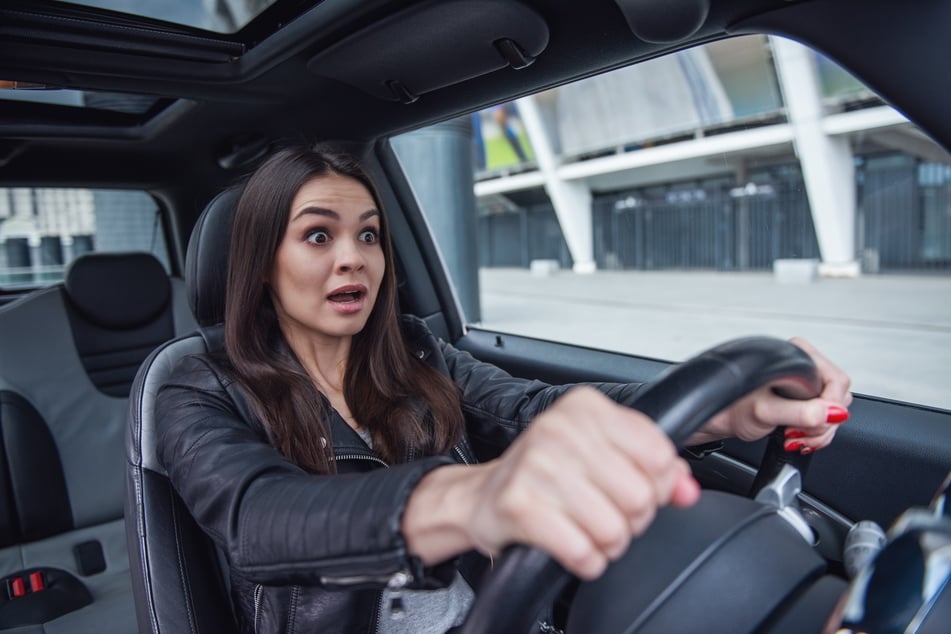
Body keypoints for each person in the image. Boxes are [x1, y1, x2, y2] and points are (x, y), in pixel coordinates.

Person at [156, 145, 852, 634]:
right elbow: (259, 519)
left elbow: (530, 412)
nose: (353, 258)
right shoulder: (196, 384)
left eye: (369, 236)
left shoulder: (417, 352)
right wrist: (473, 497)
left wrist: (722, 411)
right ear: (260, 263)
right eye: (317, 235)